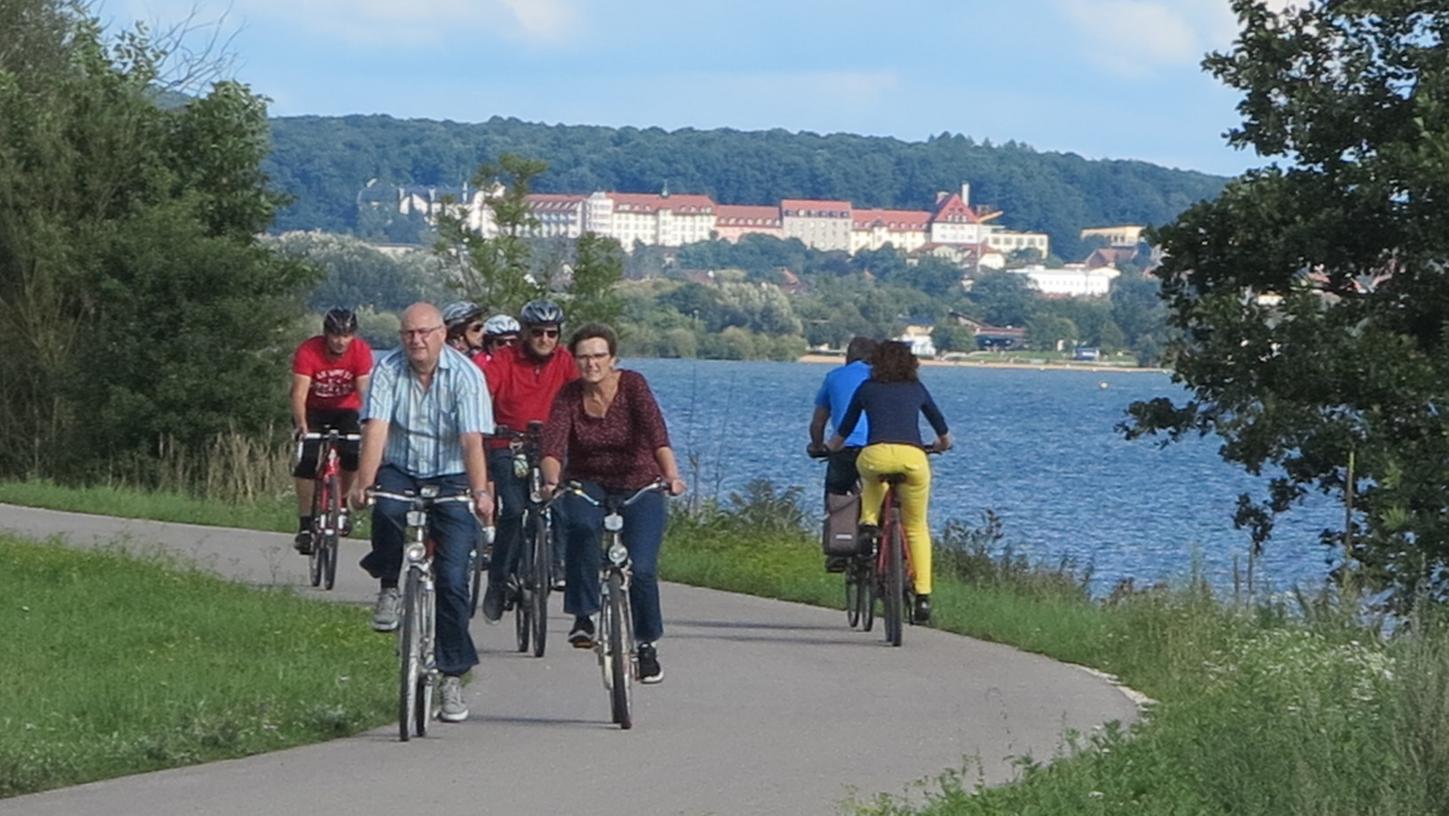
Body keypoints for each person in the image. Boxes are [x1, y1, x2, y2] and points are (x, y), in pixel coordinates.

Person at [349, 303, 495, 723]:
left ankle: (452, 676)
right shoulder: (388, 370)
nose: (416, 340)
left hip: (452, 476)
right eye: (408, 333)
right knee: (388, 508)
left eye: (424, 332)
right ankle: (390, 585)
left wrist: (480, 492)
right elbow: (375, 428)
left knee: (452, 581)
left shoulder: (466, 376)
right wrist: (363, 482)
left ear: (442, 334)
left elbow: (471, 441)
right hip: (401, 466)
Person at [539, 323, 685, 684]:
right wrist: (550, 479)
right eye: (584, 357)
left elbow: (656, 433)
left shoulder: (633, 385)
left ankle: (646, 644)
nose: (591, 364)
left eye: (598, 356)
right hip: (588, 481)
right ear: (575, 361)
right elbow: (553, 444)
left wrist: (672, 476)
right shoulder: (569, 395)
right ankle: (583, 615)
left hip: (639, 483)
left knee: (644, 567)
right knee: (581, 526)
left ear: (612, 358)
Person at [828, 341, 952, 624]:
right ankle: (922, 597)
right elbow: (943, 431)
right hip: (913, 459)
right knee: (916, 527)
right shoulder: (917, 389)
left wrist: (829, 447)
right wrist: (941, 445)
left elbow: (842, 432)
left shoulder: (867, 389)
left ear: (876, 363)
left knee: (872, 478)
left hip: (876, 455)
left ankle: (869, 524)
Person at [477, 299, 579, 621]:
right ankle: (498, 580)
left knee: (562, 502)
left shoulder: (565, 361)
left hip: (551, 445)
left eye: (552, 333)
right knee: (515, 510)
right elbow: (483, 394)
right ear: (525, 333)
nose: (545, 339)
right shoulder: (505, 359)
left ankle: (559, 566)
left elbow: (580, 397)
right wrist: (483, 426)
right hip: (509, 442)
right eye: (538, 333)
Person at [290, 308, 373, 554]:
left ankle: (342, 503)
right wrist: (301, 424)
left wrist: (369, 422)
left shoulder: (360, 351)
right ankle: (305, 525)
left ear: (353, 335)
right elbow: (299, 393)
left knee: (351, 455)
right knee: (307, 460)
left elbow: (364, 391)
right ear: (326, 334)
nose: (340, 341)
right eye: (336, 335)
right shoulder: (309, 350)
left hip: (345, 410)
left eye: (346, 335)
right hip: (313, 409)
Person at [806, 336, 876, 571]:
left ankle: (838, 549)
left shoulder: (834, 377)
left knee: (836, 490)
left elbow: (818, 423)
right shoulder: (882, 378)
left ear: (848, 356)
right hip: (879, 450)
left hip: (844, 449)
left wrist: (817, 446)